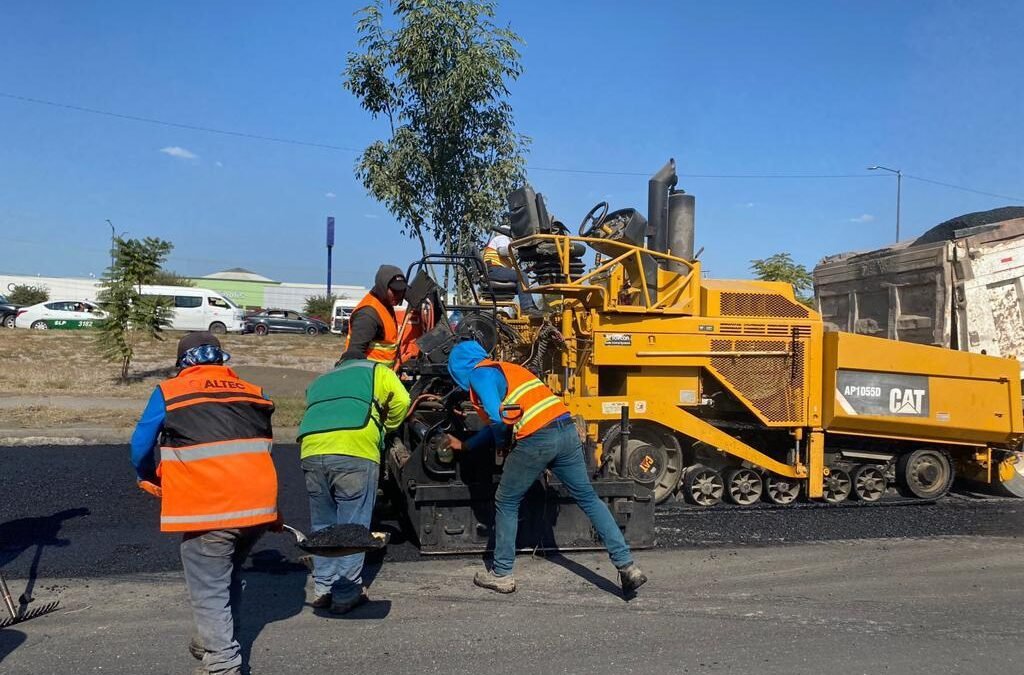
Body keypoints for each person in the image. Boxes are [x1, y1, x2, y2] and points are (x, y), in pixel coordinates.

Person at [444, 340, 647, 596]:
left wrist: (500, 442)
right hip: (565, 430)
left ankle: (502, 573)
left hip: (537, 439)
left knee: (506, 500)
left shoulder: (479, 374)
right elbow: (506, 415)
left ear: (460, 367)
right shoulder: (510, 369)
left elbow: (497, 418)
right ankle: (627, 566)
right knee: (588, 497)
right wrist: (467, 445)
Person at [130, 332, 279, 675]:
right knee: (225, 575)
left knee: (209, 584)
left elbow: (140, 444)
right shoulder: (254, 393)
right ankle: (208, 641)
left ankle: (223, 663)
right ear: (220, 359)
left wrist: (146, 476)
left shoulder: (170, 392)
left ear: (182, 363)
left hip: (212, 505)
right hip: (258, 505)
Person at [297, 357, 410, 614]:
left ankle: (323, 588)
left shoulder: (321, 379)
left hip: (311, 450)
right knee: (352, 527)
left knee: (323, 524)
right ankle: (345, 593)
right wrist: (386, 427)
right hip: (355, 449)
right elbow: (402, 401)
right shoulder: (376, 370)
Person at [341, 264, 407, 367]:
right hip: (369, 378)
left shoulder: (386, 304)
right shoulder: (368, 314)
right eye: (394, 291)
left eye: (401, 291)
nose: (398, 295)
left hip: (382, 377)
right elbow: (353, 356)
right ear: (382, 287)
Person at [482, 233, 540, 315]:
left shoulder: (501, 244)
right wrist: (520, 250)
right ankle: (527, 308)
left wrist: (527, 270)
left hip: (496, 270)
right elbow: (502, 251)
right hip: (494, 269)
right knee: (522, 276)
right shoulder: (502, 237)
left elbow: (513, 274)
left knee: (522, 278)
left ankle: (532, 308)